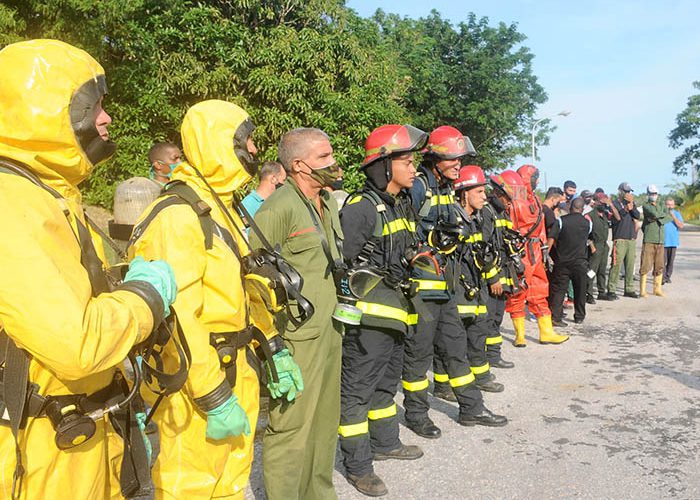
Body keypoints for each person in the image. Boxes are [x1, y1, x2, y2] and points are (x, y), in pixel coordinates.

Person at [0, 39, 177, 499]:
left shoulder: (49, 195)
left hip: (77, 433)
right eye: (95, 105)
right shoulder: (9, 202)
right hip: (41, 455)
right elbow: (77, 344)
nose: (107, 118)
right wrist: (147, 296)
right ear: (44, 111)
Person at [130, 100, 303, 498]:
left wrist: (273, 344)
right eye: (248, 140)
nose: (256, 150)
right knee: (191, 485)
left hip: (234, 365)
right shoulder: (178, 215)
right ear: (218, 143)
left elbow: (248, 285)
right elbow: (178, 317)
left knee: (232, 478)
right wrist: (211, 393)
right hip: (197, 379)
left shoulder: (219, 206)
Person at [250, 128, 344, 500]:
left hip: (331, 328)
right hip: (296, 336)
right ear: (299, 165)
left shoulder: (329, 203)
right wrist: (270, 343)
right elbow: (253, 276)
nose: (333, 163)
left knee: (324, 422)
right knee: (290, 427)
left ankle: (319, 493)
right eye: (324, 157)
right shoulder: (279, 207)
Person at [338, 124, 427, 497]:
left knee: (386, 386)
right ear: (385, 166)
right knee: (357, 392)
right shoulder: (361, 208)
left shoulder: (399, 206)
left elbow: (405, 251)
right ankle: (358, 467)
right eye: (406, 161)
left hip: (396, 314)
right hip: (370, 319)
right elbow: (341, 264)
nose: (413, 169)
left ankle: (386, 442)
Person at [404, 125, 506, 439]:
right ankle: (417, 415)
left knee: (455, 349)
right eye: (453, 158)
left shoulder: (446, 189)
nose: (458, 164)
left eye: (461, 158)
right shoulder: (419, 186)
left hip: (444, 286)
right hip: (420, 289)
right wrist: (427, 241)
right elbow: (404, 234)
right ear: (434, 158)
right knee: (419, 357)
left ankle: (472, 409)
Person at [506, 165, 569, 346]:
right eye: (536, 177)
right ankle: (520, 336)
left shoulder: (534, 199)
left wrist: (543, 250)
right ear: (528, 179)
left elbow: (540, 228)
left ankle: (546, 332)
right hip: (522, 252)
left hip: (535, 251)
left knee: (540, 291)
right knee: (518, 291)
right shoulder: (516, 201)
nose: (538, 181)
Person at [480, 171, 527, 368]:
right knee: (488, 318)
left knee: (497, 317)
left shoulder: (502, 212)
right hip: (492, 277)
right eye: (508, 198)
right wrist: (492, 278)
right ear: (498, 193)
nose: (510, 202)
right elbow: (483, 247)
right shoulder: (487, 212)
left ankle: (493, 356)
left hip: (503, 273)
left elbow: (503, 242)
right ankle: (484, 358)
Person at [548, 198, 592, 326]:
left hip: (562, 262)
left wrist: (545, 255)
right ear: (582, 209)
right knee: (580, 290)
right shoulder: (588, 223)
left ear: (570, 207)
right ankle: (579, 316)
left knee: (559, 290)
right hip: (580, 263)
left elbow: (551, 238)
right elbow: (588, 239)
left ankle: (555, 317)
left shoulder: (561, 221)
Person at [606, 182, 639, 299]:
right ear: (620, 191)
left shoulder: (631, 203)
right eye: (626, 191)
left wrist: (631, 205)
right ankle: (611, 289)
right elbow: (616, 219)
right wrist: (625, 209)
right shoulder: (614, 204)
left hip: (630, 238)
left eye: (629, 191)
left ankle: (629, 289)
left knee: (630, 265)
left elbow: (637, 215)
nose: (628, 193)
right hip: (619, 239)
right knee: (616, 265)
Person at [639, 184, 671, 297]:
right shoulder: (646, 205)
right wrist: (660, 216)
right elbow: (655, 213)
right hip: (649, 239)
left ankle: (657, 289)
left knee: (660, 264)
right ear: (648, 194)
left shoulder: (661, 204)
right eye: (652, 194)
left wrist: (658, 218)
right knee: (645, 264)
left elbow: (669, 217)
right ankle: (642, 290)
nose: (654, 196)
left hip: (660, 240)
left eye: (655, 194)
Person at [587, 192, 612, 301]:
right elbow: (586, 234)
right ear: (596, 202)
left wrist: (610, 204)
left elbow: (617, 217)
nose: (604, 204)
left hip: (603, 246)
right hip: (595, 246)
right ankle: (589, 293)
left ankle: (602, 292)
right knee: (592, 271)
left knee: (602, 270)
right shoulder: (589, 216)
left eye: (605, 202)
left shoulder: (606, 215)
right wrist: (592, 246)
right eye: (601, 202)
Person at [663, 198, 684, 284]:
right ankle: (662, 277)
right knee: (662, 261)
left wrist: (673, 217)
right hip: (663, 242)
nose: (670, 207)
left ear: (674, 206)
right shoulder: (662, 214)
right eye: (668, 204)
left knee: (670, 261)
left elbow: (681, 226)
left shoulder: (677, 214)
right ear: (665, 205)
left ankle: (668, 276)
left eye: (671, 205)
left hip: (673, 242)